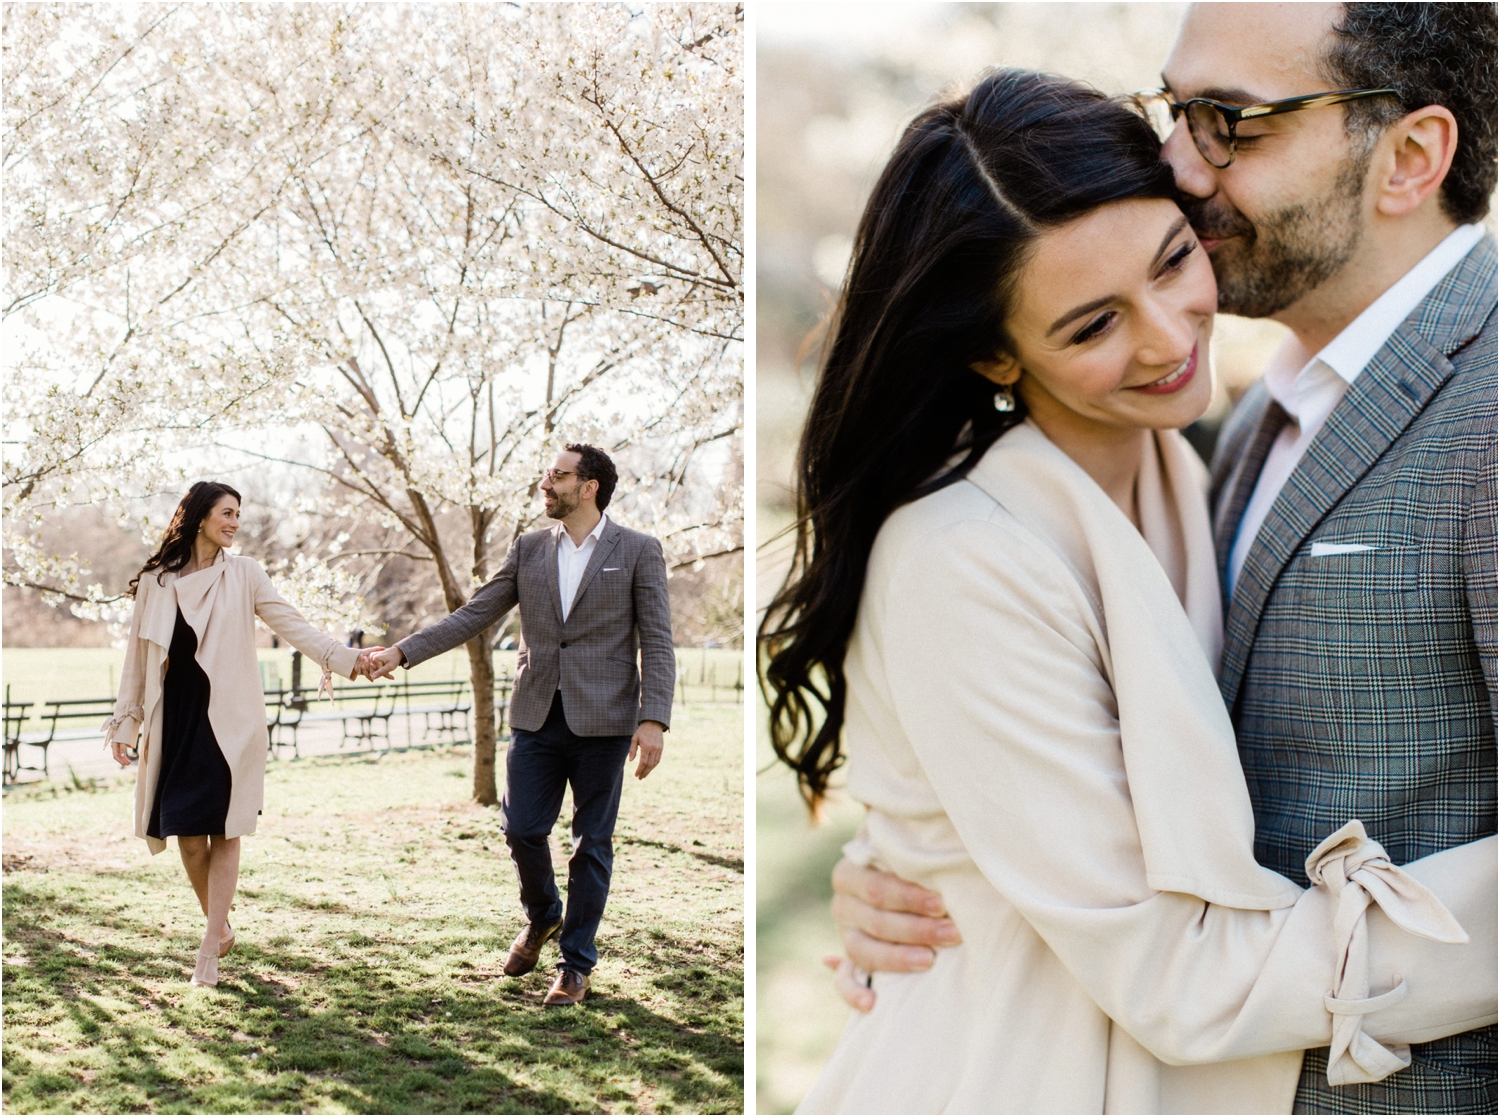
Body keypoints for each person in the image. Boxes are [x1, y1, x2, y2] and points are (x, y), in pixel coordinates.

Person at [759, 66, 1496, 1114]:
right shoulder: (958, 554)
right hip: (1007, 1075)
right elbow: (1175, 971)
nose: (1166, 335)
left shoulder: (1191, 467)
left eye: (1172, 261)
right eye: (1092, 326)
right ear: (993, 351)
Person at [360, 443, 675, 1007]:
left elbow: (657, 639)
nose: (545, 484)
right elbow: (476, 612)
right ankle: (544, 916)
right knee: (522, 829)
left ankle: (576, 964)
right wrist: (403, 652)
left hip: (605, 721)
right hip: (535, 716)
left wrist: (653, 719)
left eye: (558, 476)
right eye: (546, 475)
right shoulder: (530, 548)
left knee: (591, 845)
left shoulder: (639, 551)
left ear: (590, 486)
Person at [104, 481, 362, 987]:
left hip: (230, 722)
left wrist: (349, 660)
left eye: (238, 515)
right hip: (174, 720)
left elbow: (294, 625)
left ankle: (208, 950)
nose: (234, 523)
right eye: (226, 513)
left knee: (224, 829)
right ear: (200, 516)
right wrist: (127, 721)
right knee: (185, 833)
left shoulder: (245, 574)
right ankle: (219, 925)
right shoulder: (157, 581)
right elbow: (136, 659)